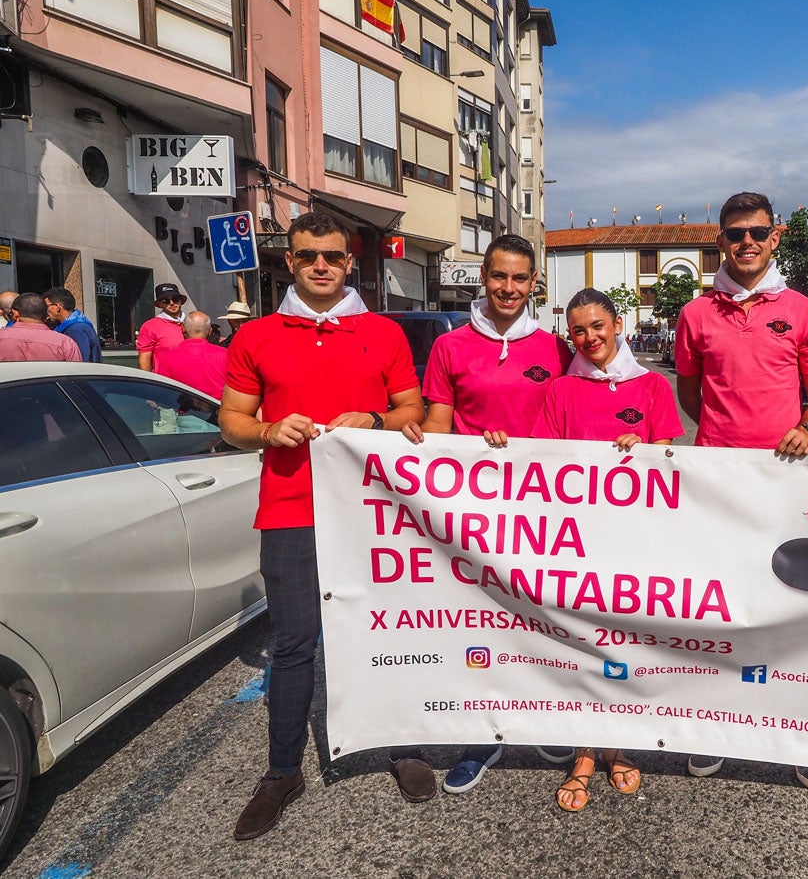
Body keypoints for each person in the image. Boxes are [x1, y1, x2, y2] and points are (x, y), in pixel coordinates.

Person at [218, 212, 426, 841]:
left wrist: (373, 417)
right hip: (290, 508)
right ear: (290, 260)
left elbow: (412, 410)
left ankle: (402, 746)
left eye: (333, 257)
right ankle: (283, 771)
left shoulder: (384, 332)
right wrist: (266, 430)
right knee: (294, 643)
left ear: (349, 261)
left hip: (374, 511)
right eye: (309, 256)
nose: (321, 267)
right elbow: (231, 420)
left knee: (386, 629)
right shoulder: (254, 337)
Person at [401, 233, 574, 794]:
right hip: (475, 515)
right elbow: (440, 428)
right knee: (481, 624)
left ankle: (546, 716)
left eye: (520, 279)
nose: (508, 288)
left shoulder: (554, 348)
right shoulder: (452, 347)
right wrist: (408, 441)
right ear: (484, 275)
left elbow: (576, 420)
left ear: (533, 283)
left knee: (544, 617)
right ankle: (484, 734)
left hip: (544, 507)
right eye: (499, 276)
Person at [673, 191, 808, 788]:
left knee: (794, 605)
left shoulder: (805, 310)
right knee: (724, 603)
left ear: (775, 237)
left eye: (757, 233)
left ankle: (796, 727)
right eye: (735, 233)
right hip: (719, 481)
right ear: (720, 241)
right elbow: (692, 395)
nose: (747, 243)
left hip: (790, 482)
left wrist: (807, 425)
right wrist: (722, 435)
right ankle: (719, 724)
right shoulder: (695, 314)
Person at [530, 288, 684, 811]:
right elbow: (542, 466)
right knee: (580, 643)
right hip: (577, 540)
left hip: (635, 539)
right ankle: (585, 753)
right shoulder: (559, 390)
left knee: (626, 644)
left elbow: (669, 455)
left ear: (617, 324)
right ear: (568, 335)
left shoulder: (652, 386)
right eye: (578, 330)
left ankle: (620, 744)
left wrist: (647, 450)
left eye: (598, 326)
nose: (590, 337)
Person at [161, 311, 228, 398]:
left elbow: (163, 393)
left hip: (184, 409)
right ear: (210, 331)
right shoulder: (225, 354)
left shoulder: (168, 357)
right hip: (219, 407)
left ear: (183, 328)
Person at [0, 293, 82, 362]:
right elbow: (76, 376)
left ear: (15, 314)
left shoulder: (2, 337)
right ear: (46, 315)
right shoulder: (65, 344)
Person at [137, 282, 189, 373]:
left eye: (175, 299)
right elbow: (144, 360)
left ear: (180, 301)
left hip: (192, 380)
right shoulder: (150, 326)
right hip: (167, 382)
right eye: (166, 301)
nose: (172, 303)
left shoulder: (192, 321)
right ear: (160, 304)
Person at [43, 288, 103, 362]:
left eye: (46, 306)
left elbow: (80, 362)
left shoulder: (76, 329)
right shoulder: (75, 325)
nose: (45, 311)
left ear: (57, 307)